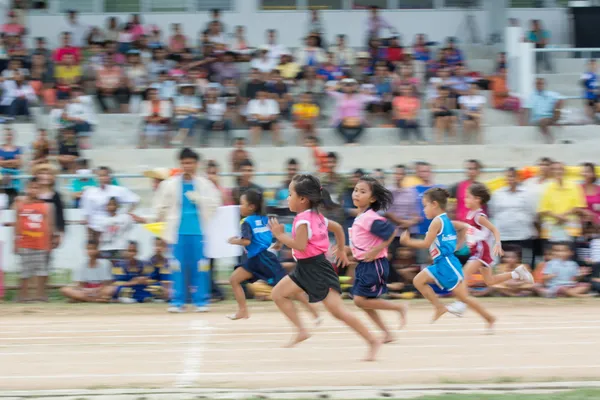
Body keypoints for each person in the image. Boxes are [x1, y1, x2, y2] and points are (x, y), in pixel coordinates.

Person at [268, 174, 382, 361]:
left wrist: (280, 236)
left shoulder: (304, 219)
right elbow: (337, 227)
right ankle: (301, 330)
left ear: (303, 199)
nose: (287, 198)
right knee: (278, 294)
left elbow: (300, 245)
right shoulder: (314, 216)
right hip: (306, 267)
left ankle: (372, 340)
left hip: (317, 269)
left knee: (338, 312)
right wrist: (341, 250)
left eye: (290, 195)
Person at [400, 188, 496, 331]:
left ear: (434, 204)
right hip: (440, 263)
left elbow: (425, 244)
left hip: (447, 264)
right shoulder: (446, 220)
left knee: (464, 297)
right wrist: (458, 244)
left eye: (425, 205)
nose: (424, 210)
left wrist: (407, 242)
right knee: (418, 281)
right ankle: (439, 307)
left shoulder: (437, 222)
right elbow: (464, 227)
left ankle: (489, 318)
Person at [227, 189, 320, 321]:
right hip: (258, 259)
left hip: (262, 260)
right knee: (234, 279)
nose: (239, 207)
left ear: (251, 207)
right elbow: (277, 233)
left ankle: (313, 312)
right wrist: (278, 243)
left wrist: (233, 241)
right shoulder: (266, 219)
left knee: (289, 288)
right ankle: (243, 311)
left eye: (242, 204)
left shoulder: (246, 222)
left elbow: (246, 241)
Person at [446, 183, 533, 317]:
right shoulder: (470, 214)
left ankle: (460, 304)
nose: (465, 200)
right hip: (477, 250)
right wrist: (459, 244)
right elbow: (469, 232)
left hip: (481, 250)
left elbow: (494, 229)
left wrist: (497, 243)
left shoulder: (479, 216)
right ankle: (517, 273)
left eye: (468, 197)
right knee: (490, 281)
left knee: (462, 276)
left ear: (477, 199)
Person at [153, 148, 221, 312]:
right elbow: (160, 206)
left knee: (201, 267)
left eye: (190, 162)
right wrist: (158, 223)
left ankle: (201, 301)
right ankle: (177, 301)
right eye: (184, 163)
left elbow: (215, 204)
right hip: (178, 232)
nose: (187, 166)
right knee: (177, 267)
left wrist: (200, 199)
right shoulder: (169, 184)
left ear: (196, 164)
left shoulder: (205, 184)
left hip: (199, 232)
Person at [349, 176, 407, 343]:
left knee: (361, 300)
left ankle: (399, 307)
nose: (357, 194)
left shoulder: (370, 217)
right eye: (356, 190)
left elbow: (390, 232)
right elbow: (362, 241)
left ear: (372, 198)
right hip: (364, 264)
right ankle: (387, 333)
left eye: (362, 192)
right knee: (364, 302)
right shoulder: (361, 217)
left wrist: (375, 250)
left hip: (374, 265)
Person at [13, 178, 54, 303]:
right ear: (26, 189)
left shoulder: (46, 206)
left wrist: (49, 243)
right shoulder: (21, 205)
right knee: (25, 271)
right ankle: (23, 296)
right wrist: (16, 242)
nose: (33, 190)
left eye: (36, 188)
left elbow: (49, 226)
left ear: (40, 190)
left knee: (41, 270)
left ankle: (40, 295)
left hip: (41, 243)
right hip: (25, 243)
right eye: (31, 187)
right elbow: (17, 224)